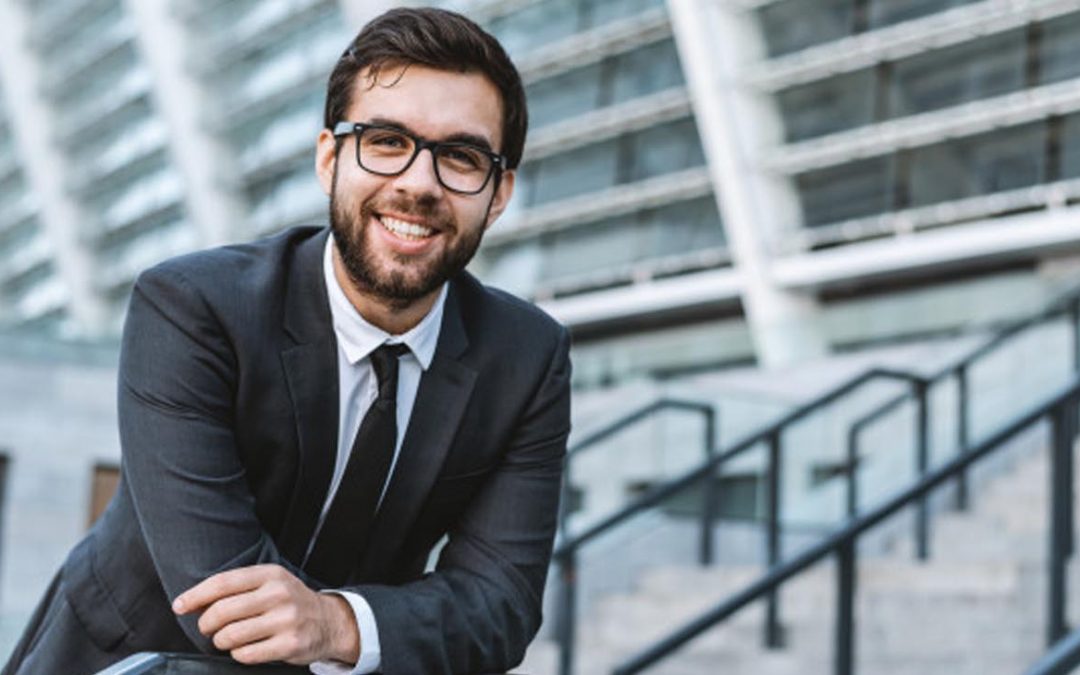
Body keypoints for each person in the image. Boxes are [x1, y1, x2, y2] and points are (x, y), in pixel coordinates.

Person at [2, 7, 570, 675]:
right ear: (330, 158)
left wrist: (336, 623)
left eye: (461, 156)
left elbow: (499, 608)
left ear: (499, 191)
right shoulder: (193, 307)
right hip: (126, 658)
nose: (419, 182)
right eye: (387, 140)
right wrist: (369, 628)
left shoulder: (528, 358)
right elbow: (219, 598)